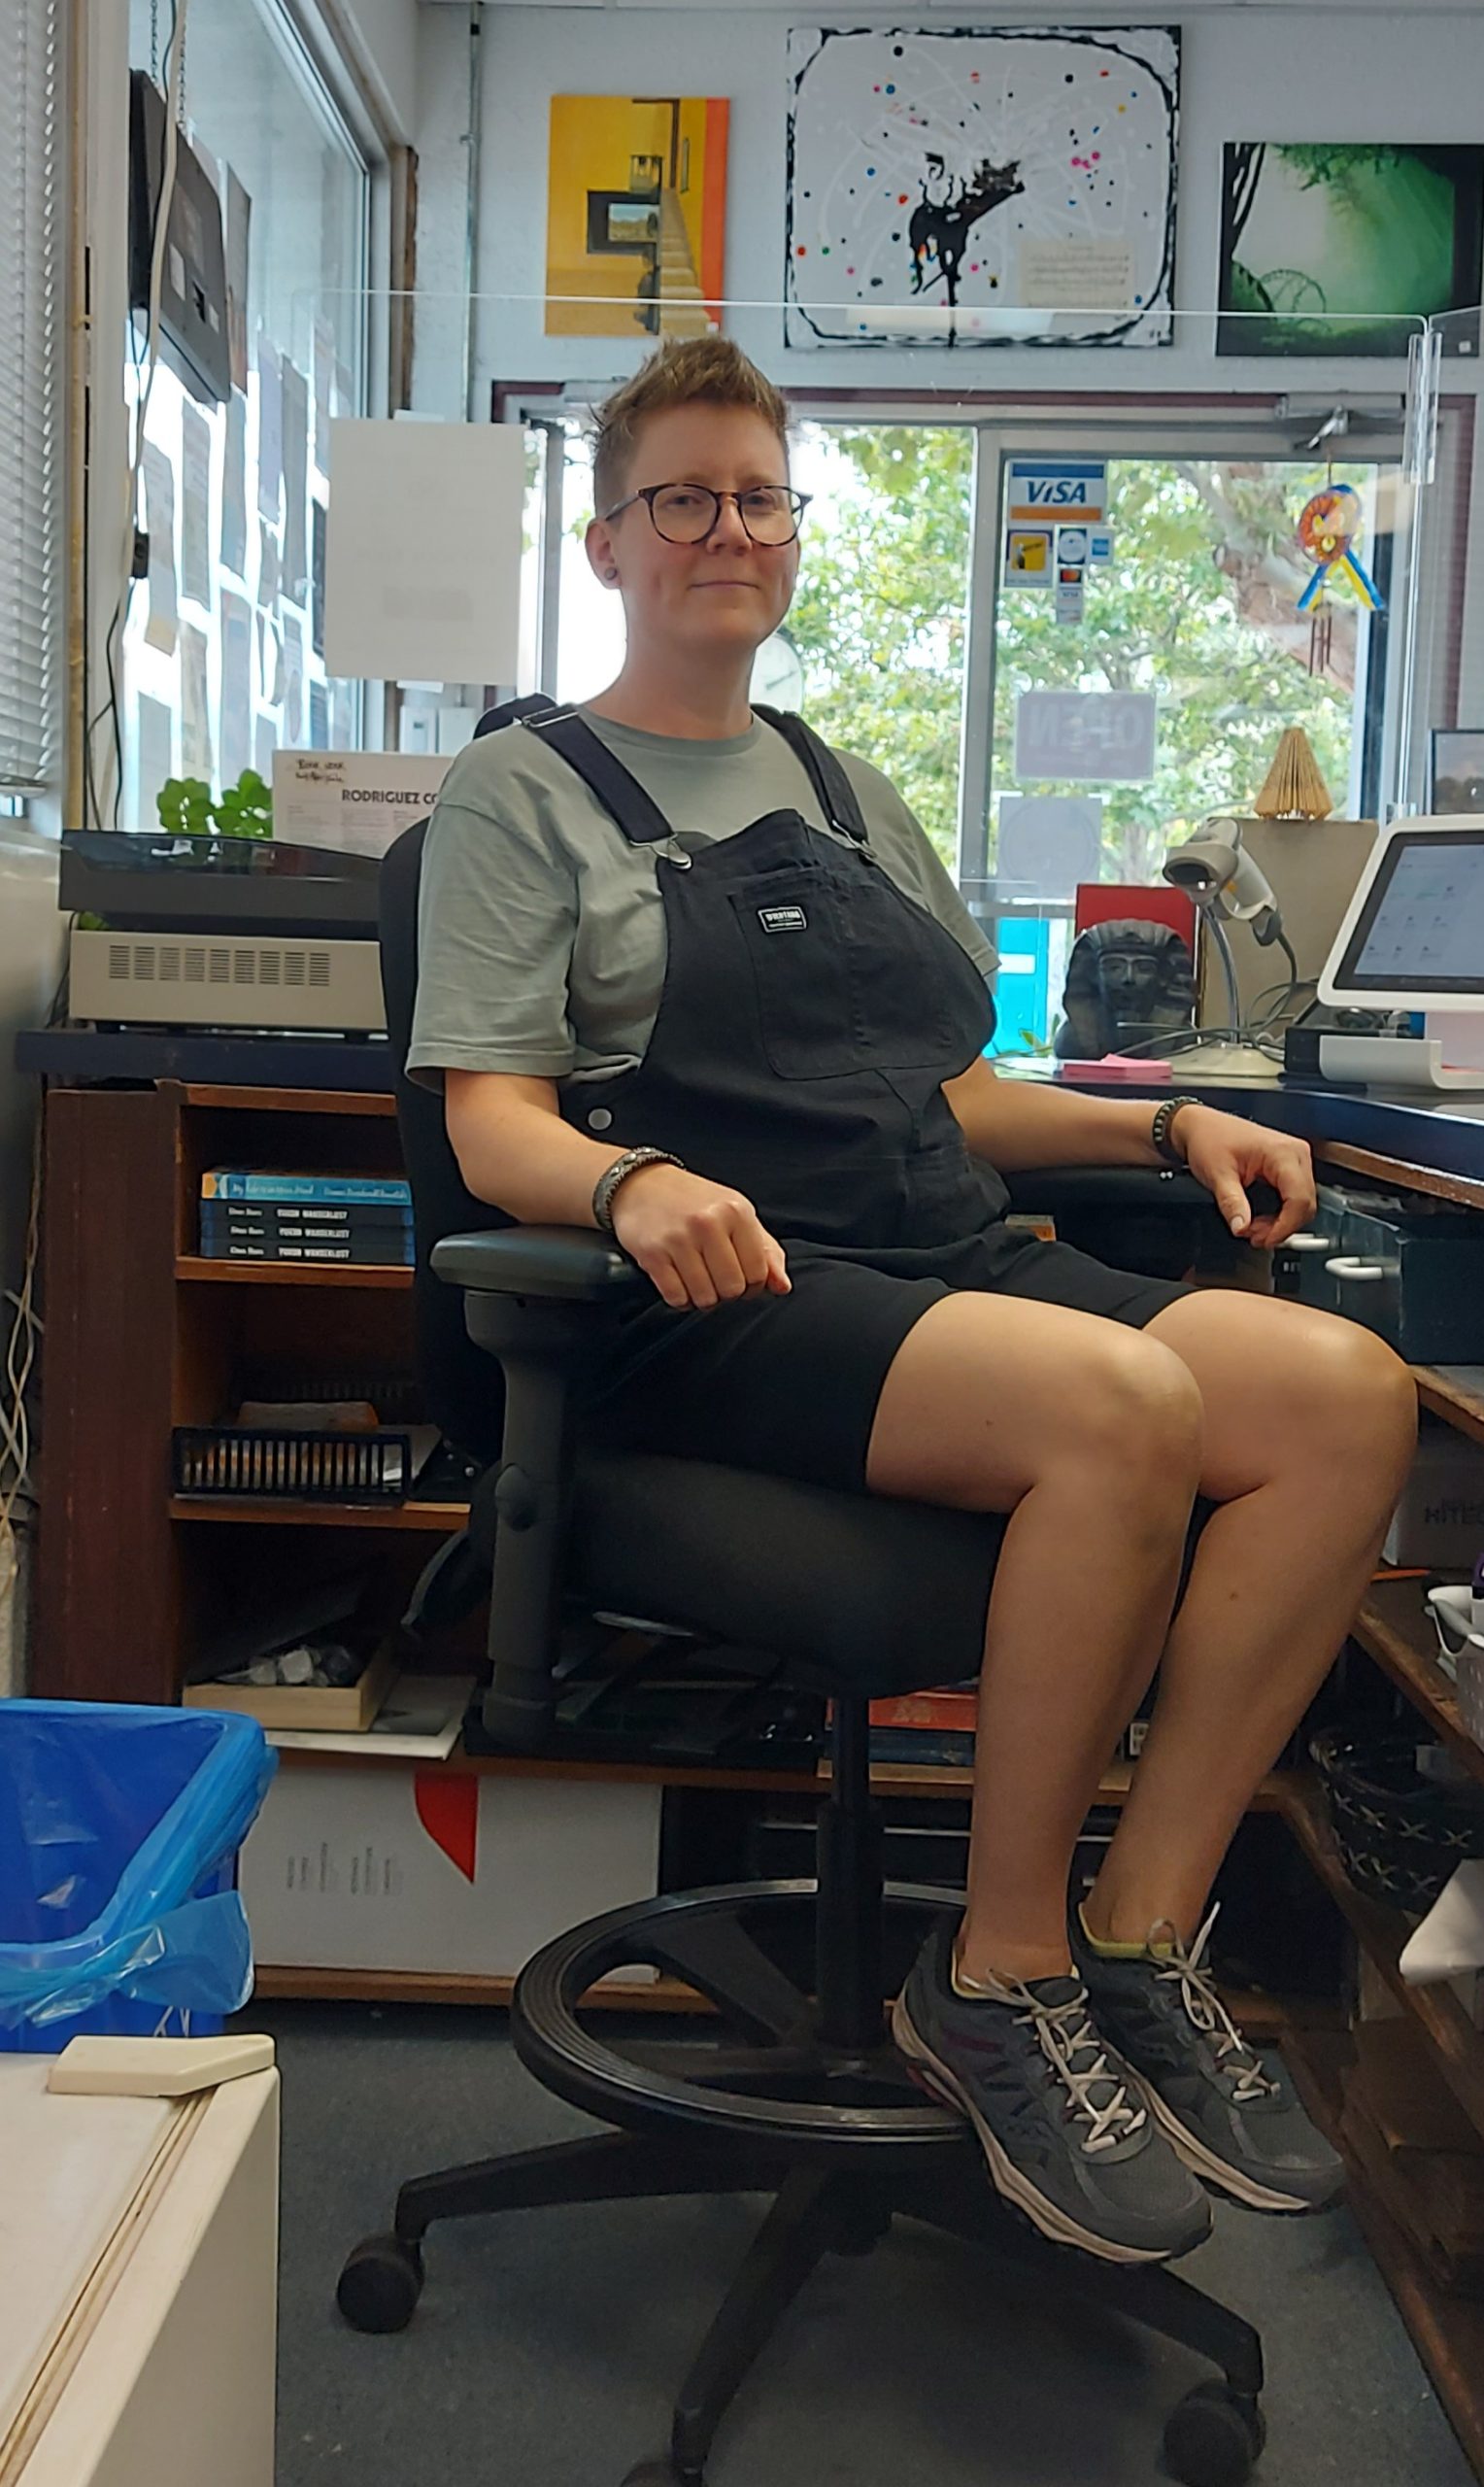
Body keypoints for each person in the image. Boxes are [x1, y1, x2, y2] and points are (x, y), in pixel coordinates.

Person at [408, 338, 1416, 2268]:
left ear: (795, 536)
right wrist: (635, 1184)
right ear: (606, 539)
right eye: (681, 495)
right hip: (714, 1300)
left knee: (1346, 1398)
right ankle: (997, 1968)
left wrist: (1171, 1118)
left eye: (761, 495)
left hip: (934, 1254)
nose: (727, 527)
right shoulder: (517, 791)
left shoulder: (842, 786)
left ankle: (1132, 1937)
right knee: (1118, 1409)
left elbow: (943, 1094)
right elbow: (493, 1119)